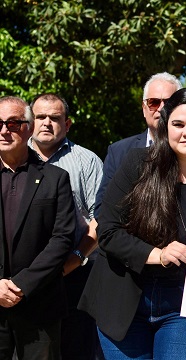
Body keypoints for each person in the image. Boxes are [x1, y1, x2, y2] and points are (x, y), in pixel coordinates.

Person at [78, 88, 186, 359]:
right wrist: (158, 254)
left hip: (183, 305)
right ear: (166, 128)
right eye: (178, 124)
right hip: (124, 297)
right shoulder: (137, 164)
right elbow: (107, 230)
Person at [29, 93, 103, 359]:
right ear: (29, 121)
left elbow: (101, 218)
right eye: (40, 117)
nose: (47, 123)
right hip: (21, 277)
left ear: (68, 124)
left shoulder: (87, 161)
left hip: (73, 275)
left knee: (76, 350)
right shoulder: (13, 158)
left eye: (55, 118)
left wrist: (76, 258)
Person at [0, 96, 75, 359]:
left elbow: (62, 239)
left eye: (13, 123)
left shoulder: (56, 179)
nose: (3, 130)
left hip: (40, 306)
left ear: (29, 128)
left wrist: (21, 285)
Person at [95, 72, 186, 212]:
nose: (161, 108)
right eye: (153, 102)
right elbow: (103, 209)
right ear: (144, 109)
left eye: (168, 103)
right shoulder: (119, 152)